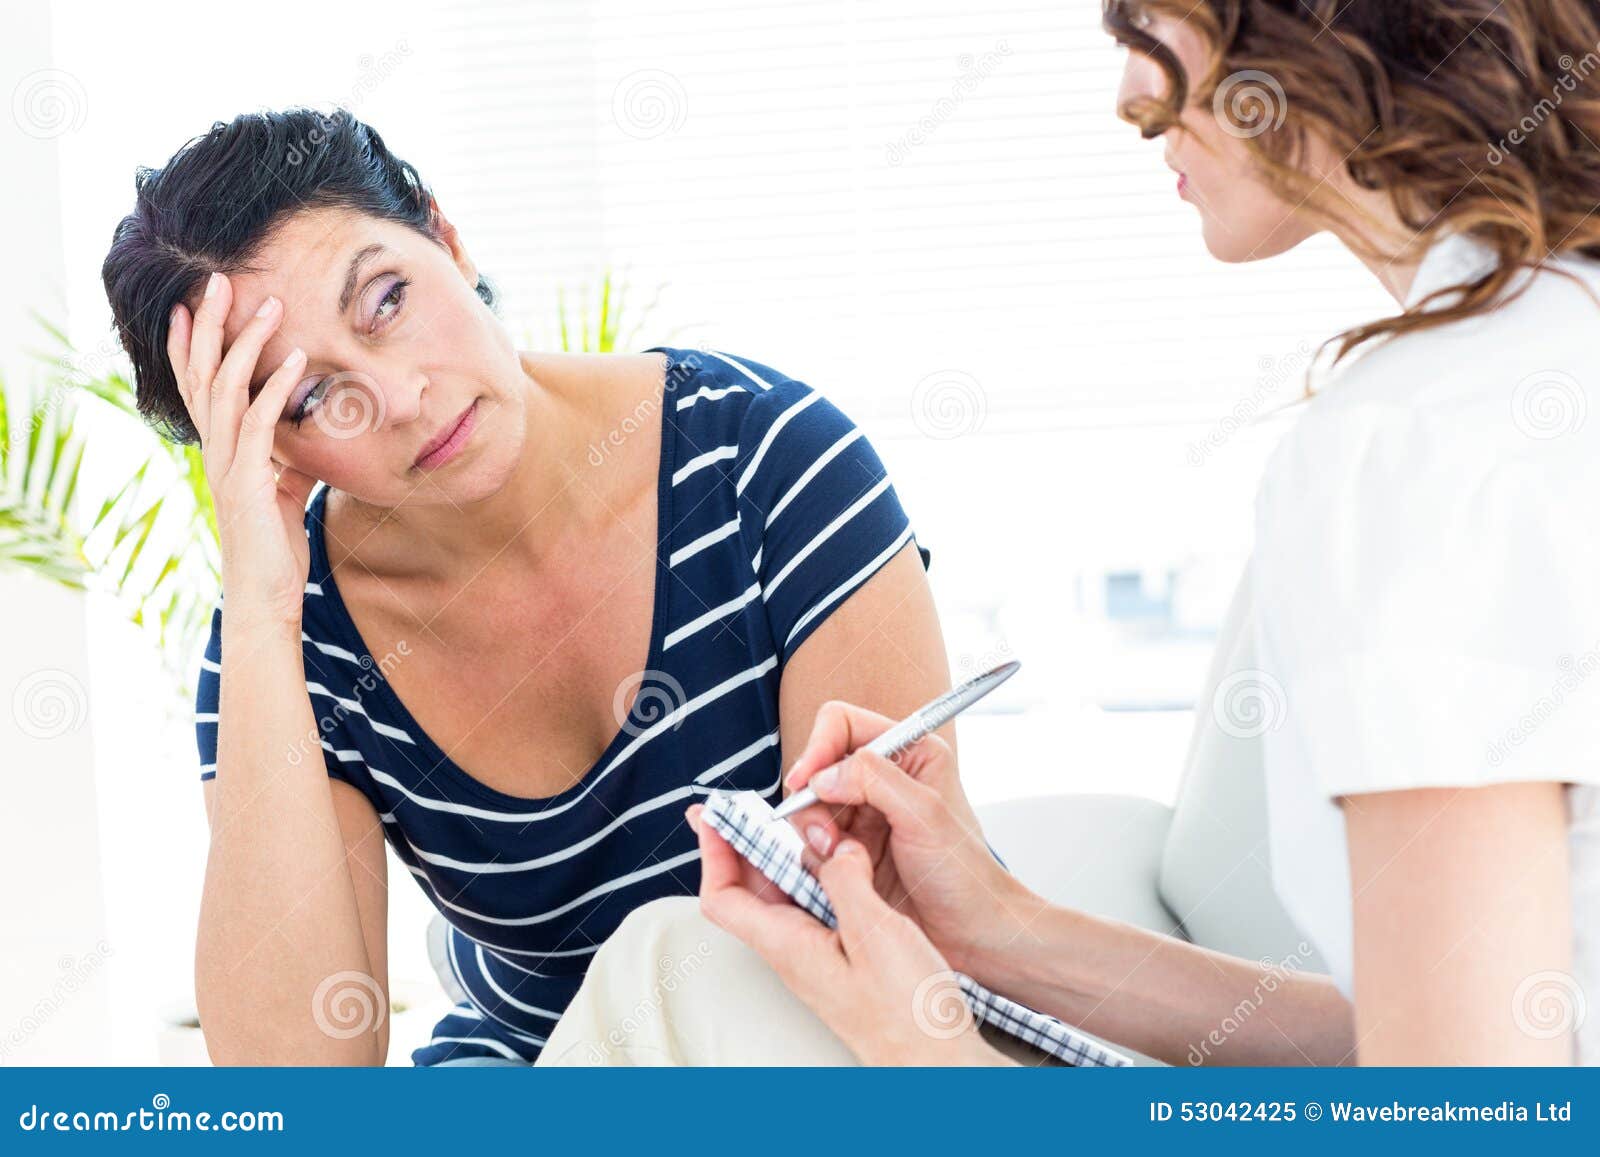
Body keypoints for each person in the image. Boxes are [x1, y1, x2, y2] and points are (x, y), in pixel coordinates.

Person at [536, 0, 1600, 1067]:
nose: (1132, 92)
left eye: (1151, 18)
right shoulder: (1534, 357)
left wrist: (928, 1058)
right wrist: (1002, 929)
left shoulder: (1416, 440)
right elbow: (1464, 1036)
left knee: (671, 974)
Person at [101, 107, 954, 1065]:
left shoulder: (766, 459)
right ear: (266, 449)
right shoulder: (294, 641)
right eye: (306, 398)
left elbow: (889, 935)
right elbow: (297, 1089)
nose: (398, 397)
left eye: (385, 299)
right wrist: (261, 615)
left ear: (445, 237)